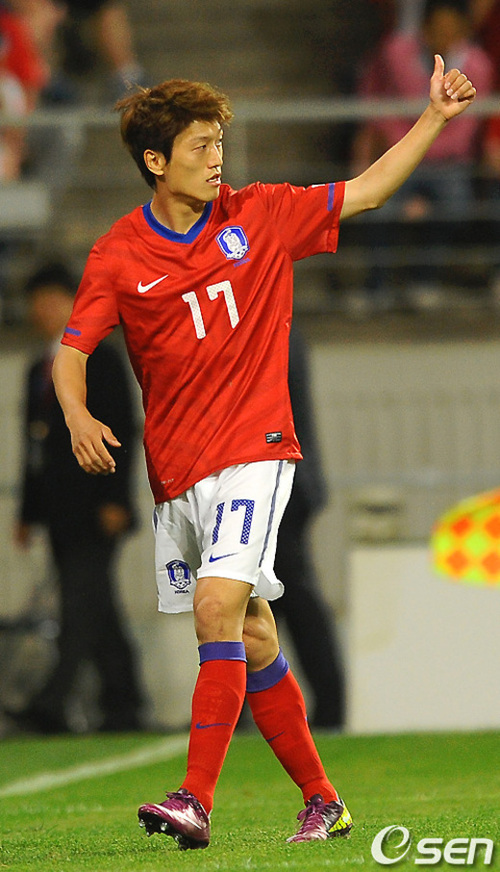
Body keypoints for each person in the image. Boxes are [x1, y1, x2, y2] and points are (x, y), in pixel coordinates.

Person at [51, 60, 476, 847]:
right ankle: (324, 801)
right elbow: (71, 350)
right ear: (156, 160)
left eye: (220, 142)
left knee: (216, 607)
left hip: (255, 450)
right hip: (177, 472)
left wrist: (434, 119)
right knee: (250, 635)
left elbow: (367, 191)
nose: (218, 158)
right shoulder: (118, 253)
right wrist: (76, 414)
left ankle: (194, 799)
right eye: (201, 145)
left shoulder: (263, 214)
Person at [12, 261, 144, 733]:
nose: (44, 310)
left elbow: (122, 431)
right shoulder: (37, 369)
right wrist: (28, 513)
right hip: (59, 512)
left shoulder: (101, 360)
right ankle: (124, 703)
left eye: (54, 300)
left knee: (79, 606)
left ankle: (51, 702)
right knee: (98, 608)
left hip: (95, 508)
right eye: (38, 302)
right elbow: (34, 449)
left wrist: (116, 498)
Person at [350, 0, 492, 308]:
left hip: (447, 165)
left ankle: (424, 281)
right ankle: (377, 286)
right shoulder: (395, 52)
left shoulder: (478, 66)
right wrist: (408, 152)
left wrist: (423, 143)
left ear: (464, 31)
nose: (443, 37)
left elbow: (463, 132)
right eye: (437, 29)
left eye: (451, 31)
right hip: (399, 157)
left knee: (454, 205)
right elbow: (380, 106)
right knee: (374, 206)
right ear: (424, 29)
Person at [273, 324, 345, 730]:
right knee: (275, 599)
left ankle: (330, 705)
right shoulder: (282, 329)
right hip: (288, 482)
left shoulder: (271, 329)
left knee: (289, 597)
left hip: (280, 485)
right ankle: (325, 705)